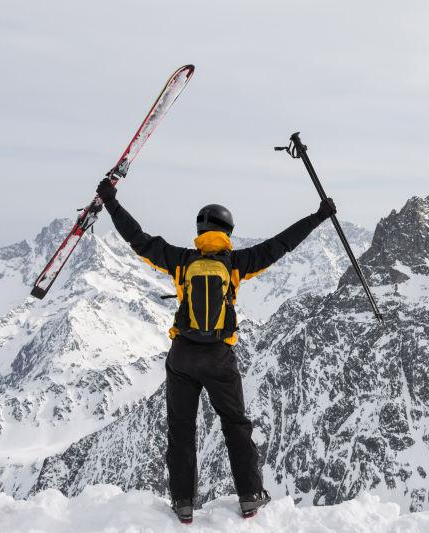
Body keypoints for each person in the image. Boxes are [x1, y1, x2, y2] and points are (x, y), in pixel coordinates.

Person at [95, 178, 336, 522]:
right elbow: (281, 245)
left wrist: (111, 202)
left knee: (181, 428)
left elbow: (138, 239)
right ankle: (250, 496)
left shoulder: (179, 260)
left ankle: (182, 502)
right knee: (235, 424)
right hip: (220, 358)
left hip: (181, 357)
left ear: (200, 229)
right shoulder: (236, 264)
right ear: (228, 232)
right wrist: (317, 216)